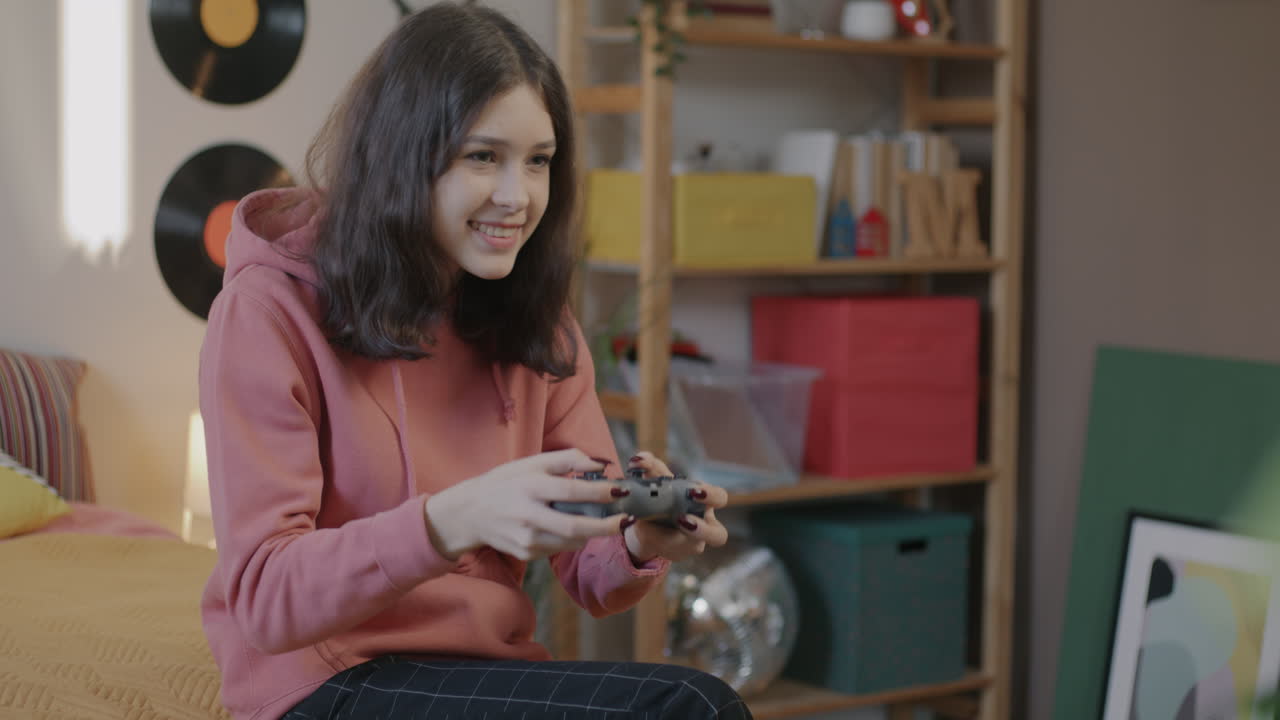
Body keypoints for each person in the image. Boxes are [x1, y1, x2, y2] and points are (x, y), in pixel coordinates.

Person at [198, 2, 751, 719]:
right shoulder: (267, 313)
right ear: (403, 156)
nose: (518, 197)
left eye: (539, 161)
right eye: (483, 156)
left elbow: (589, 571)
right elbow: (266, 601)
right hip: (323, 681)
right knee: (685, 707)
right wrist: (449, 521)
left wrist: (638, 539)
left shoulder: (534, 319)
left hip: (479, 668)